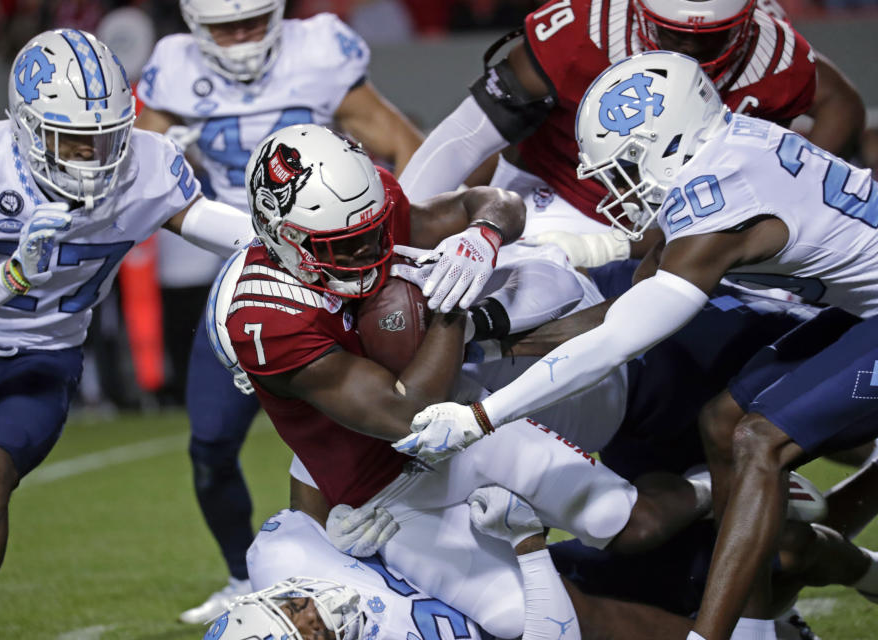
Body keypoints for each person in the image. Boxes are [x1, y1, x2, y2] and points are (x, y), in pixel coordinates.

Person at [402, 51, 878, 640]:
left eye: (627, 164)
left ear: (671, 140)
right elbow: (622, 310)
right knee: (725, 422)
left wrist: (482, 414)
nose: (618, 186)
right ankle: (755, 630)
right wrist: (485, 340)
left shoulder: (719, 204)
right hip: (865, 309)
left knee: (758, 439)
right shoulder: (734, 144)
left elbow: (618, 342)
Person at [211, 122, 723, 639]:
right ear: (285, 237)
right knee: (527, 620)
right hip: (389, 493)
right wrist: (453, 305)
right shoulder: (268, 321)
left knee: (631, 524)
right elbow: (409, 416)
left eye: (371, 234)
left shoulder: (369, 209)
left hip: (462, 424)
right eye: (344, 246)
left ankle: (722, 489)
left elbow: (496, 202)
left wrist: (482, 238)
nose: (367, 253)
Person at [0, 29, 255, 640]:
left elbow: (206, 221)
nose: (92, 157)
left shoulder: (147, 166)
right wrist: (13, 273)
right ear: (23, 125)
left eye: (107, 139)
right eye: (73, 140)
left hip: (42, 357)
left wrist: (294, 233)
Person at [134, 1, 424, 621]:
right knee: (210, 440)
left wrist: (399, 241)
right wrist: (168, 155)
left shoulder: (318, 50)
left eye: (252, 22)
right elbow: (143, 171)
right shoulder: (172, 70)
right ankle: (243, 575)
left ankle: (393, 560)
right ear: (192, 27)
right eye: (224, 27)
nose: (240, 38)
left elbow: (404, 144)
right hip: (254, 276)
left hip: (342, 273)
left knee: (382, 418)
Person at [397, 0, 865, 271]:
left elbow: (842, 105)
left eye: (712, 34)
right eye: (671, 30)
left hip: (688, 226)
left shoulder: (775, 55)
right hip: (553, 201)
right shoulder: (581, 31)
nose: (689, 44)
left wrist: (774, 197)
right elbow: (465, 135)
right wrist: (397, 233)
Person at [205, 484, 698, 640]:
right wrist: (527, 546)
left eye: (294, 609)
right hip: (544, 611)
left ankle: (708, 489)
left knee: (645, 529)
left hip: (477, 549)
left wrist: (343, 509)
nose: (314, 616)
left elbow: (313, 459)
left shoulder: (281, 552)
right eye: (309, 637)